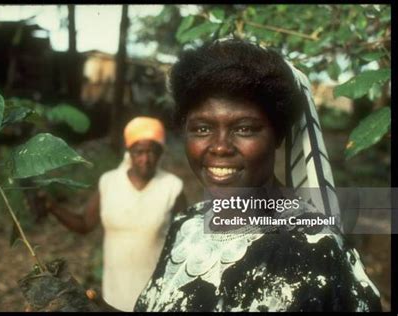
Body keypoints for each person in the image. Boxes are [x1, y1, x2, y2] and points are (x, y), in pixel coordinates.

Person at [131, 39, 382, 312]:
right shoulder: (186, 225)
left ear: (278, 136)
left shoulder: (317, 250)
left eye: (245, 129)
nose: (219, 147)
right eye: (202, 129)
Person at [45, 116, 187, 311]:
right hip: (114, 297)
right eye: (139, 152)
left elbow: (185, 244)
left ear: (160, 152)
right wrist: (52, 207)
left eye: (152, 152)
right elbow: (85, 223)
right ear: (129, 152)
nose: (145, 159)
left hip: (157, 297)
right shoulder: (109, 183)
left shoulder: (172, 187)